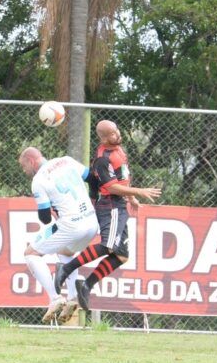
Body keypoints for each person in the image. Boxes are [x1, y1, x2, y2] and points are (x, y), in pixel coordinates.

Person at [54, 120, 161, 311]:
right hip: (110, 204)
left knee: (121, 255)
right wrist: (139, 192)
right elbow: (110, 186)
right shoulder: (102, 159)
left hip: (120, 203)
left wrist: (130, 197)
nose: (117, 134)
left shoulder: (118, 150)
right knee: (108, 245)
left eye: (117, 130)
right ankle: (66, 268)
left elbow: (122, 177)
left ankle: (86, 286)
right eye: (112, 133)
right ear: (104, 138)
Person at [19, 147, 99, 324]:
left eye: (24, 167)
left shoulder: (39, 180)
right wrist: (93, 199)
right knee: (65, 252)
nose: (25, 171)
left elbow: (45, 218)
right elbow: (93, 178)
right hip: (92, 223)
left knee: (31, 253)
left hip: (71, 225)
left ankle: (55, 299)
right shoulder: (67, 161)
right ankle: (72, 296)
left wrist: (51, 210)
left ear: (31, 161)